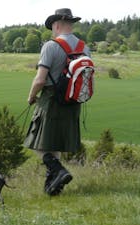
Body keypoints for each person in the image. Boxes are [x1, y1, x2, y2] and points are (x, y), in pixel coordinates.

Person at [23, 8, 91, 196]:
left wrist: (31, 96)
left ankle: (59, 171)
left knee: (38, 142)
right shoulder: (85, 48)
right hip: (74, 102)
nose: (52, 29)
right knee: (55, 143)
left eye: (53, 26)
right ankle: (53, 187)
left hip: (51, 100)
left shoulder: (50, 46)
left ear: (57, 25)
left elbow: (40, 79)